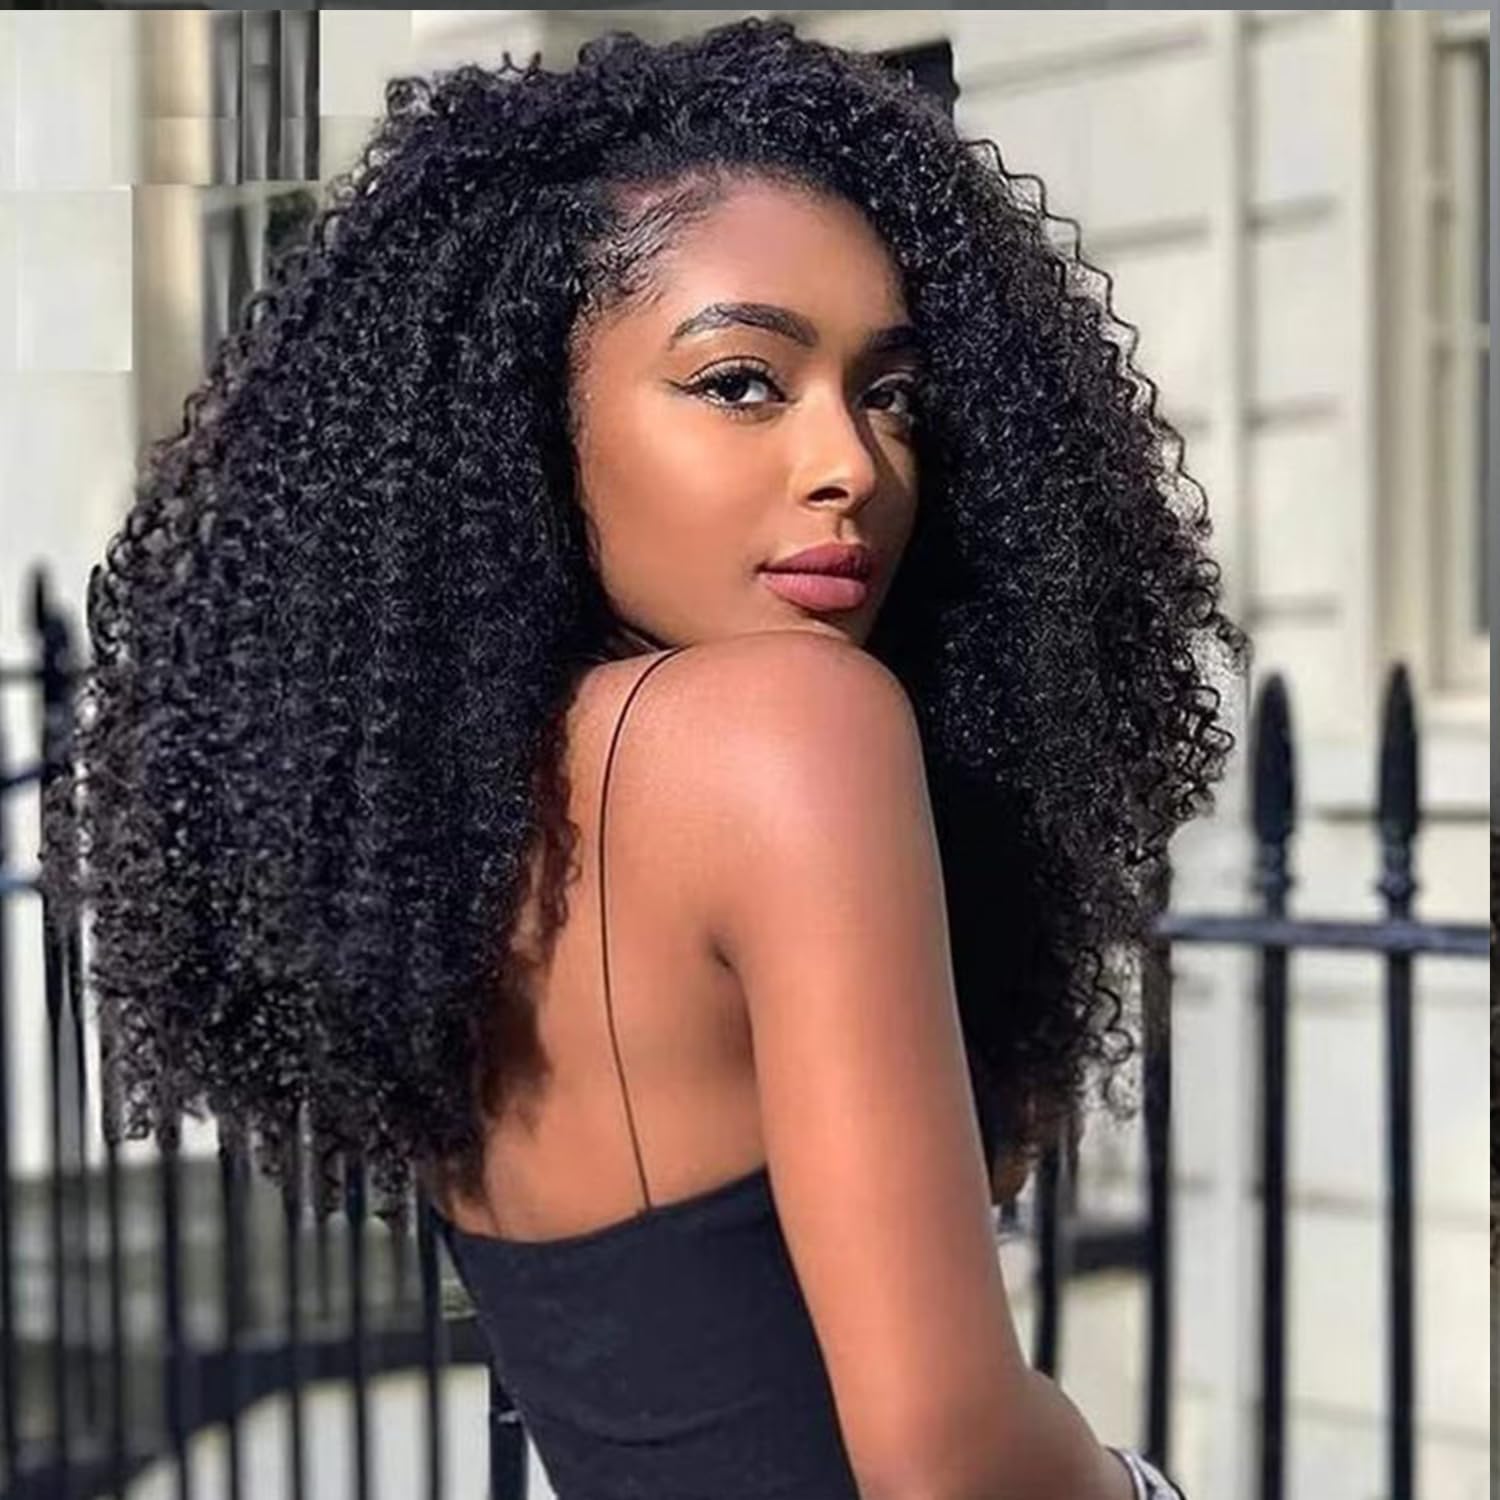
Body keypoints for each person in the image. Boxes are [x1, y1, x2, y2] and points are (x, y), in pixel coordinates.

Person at [40, 17, 1247, 1499]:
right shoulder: (790, 730)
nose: (850, 465)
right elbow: (947, 1455)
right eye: (741, 382)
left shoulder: (442, 817)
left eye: (890, 394)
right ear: (529, 417)